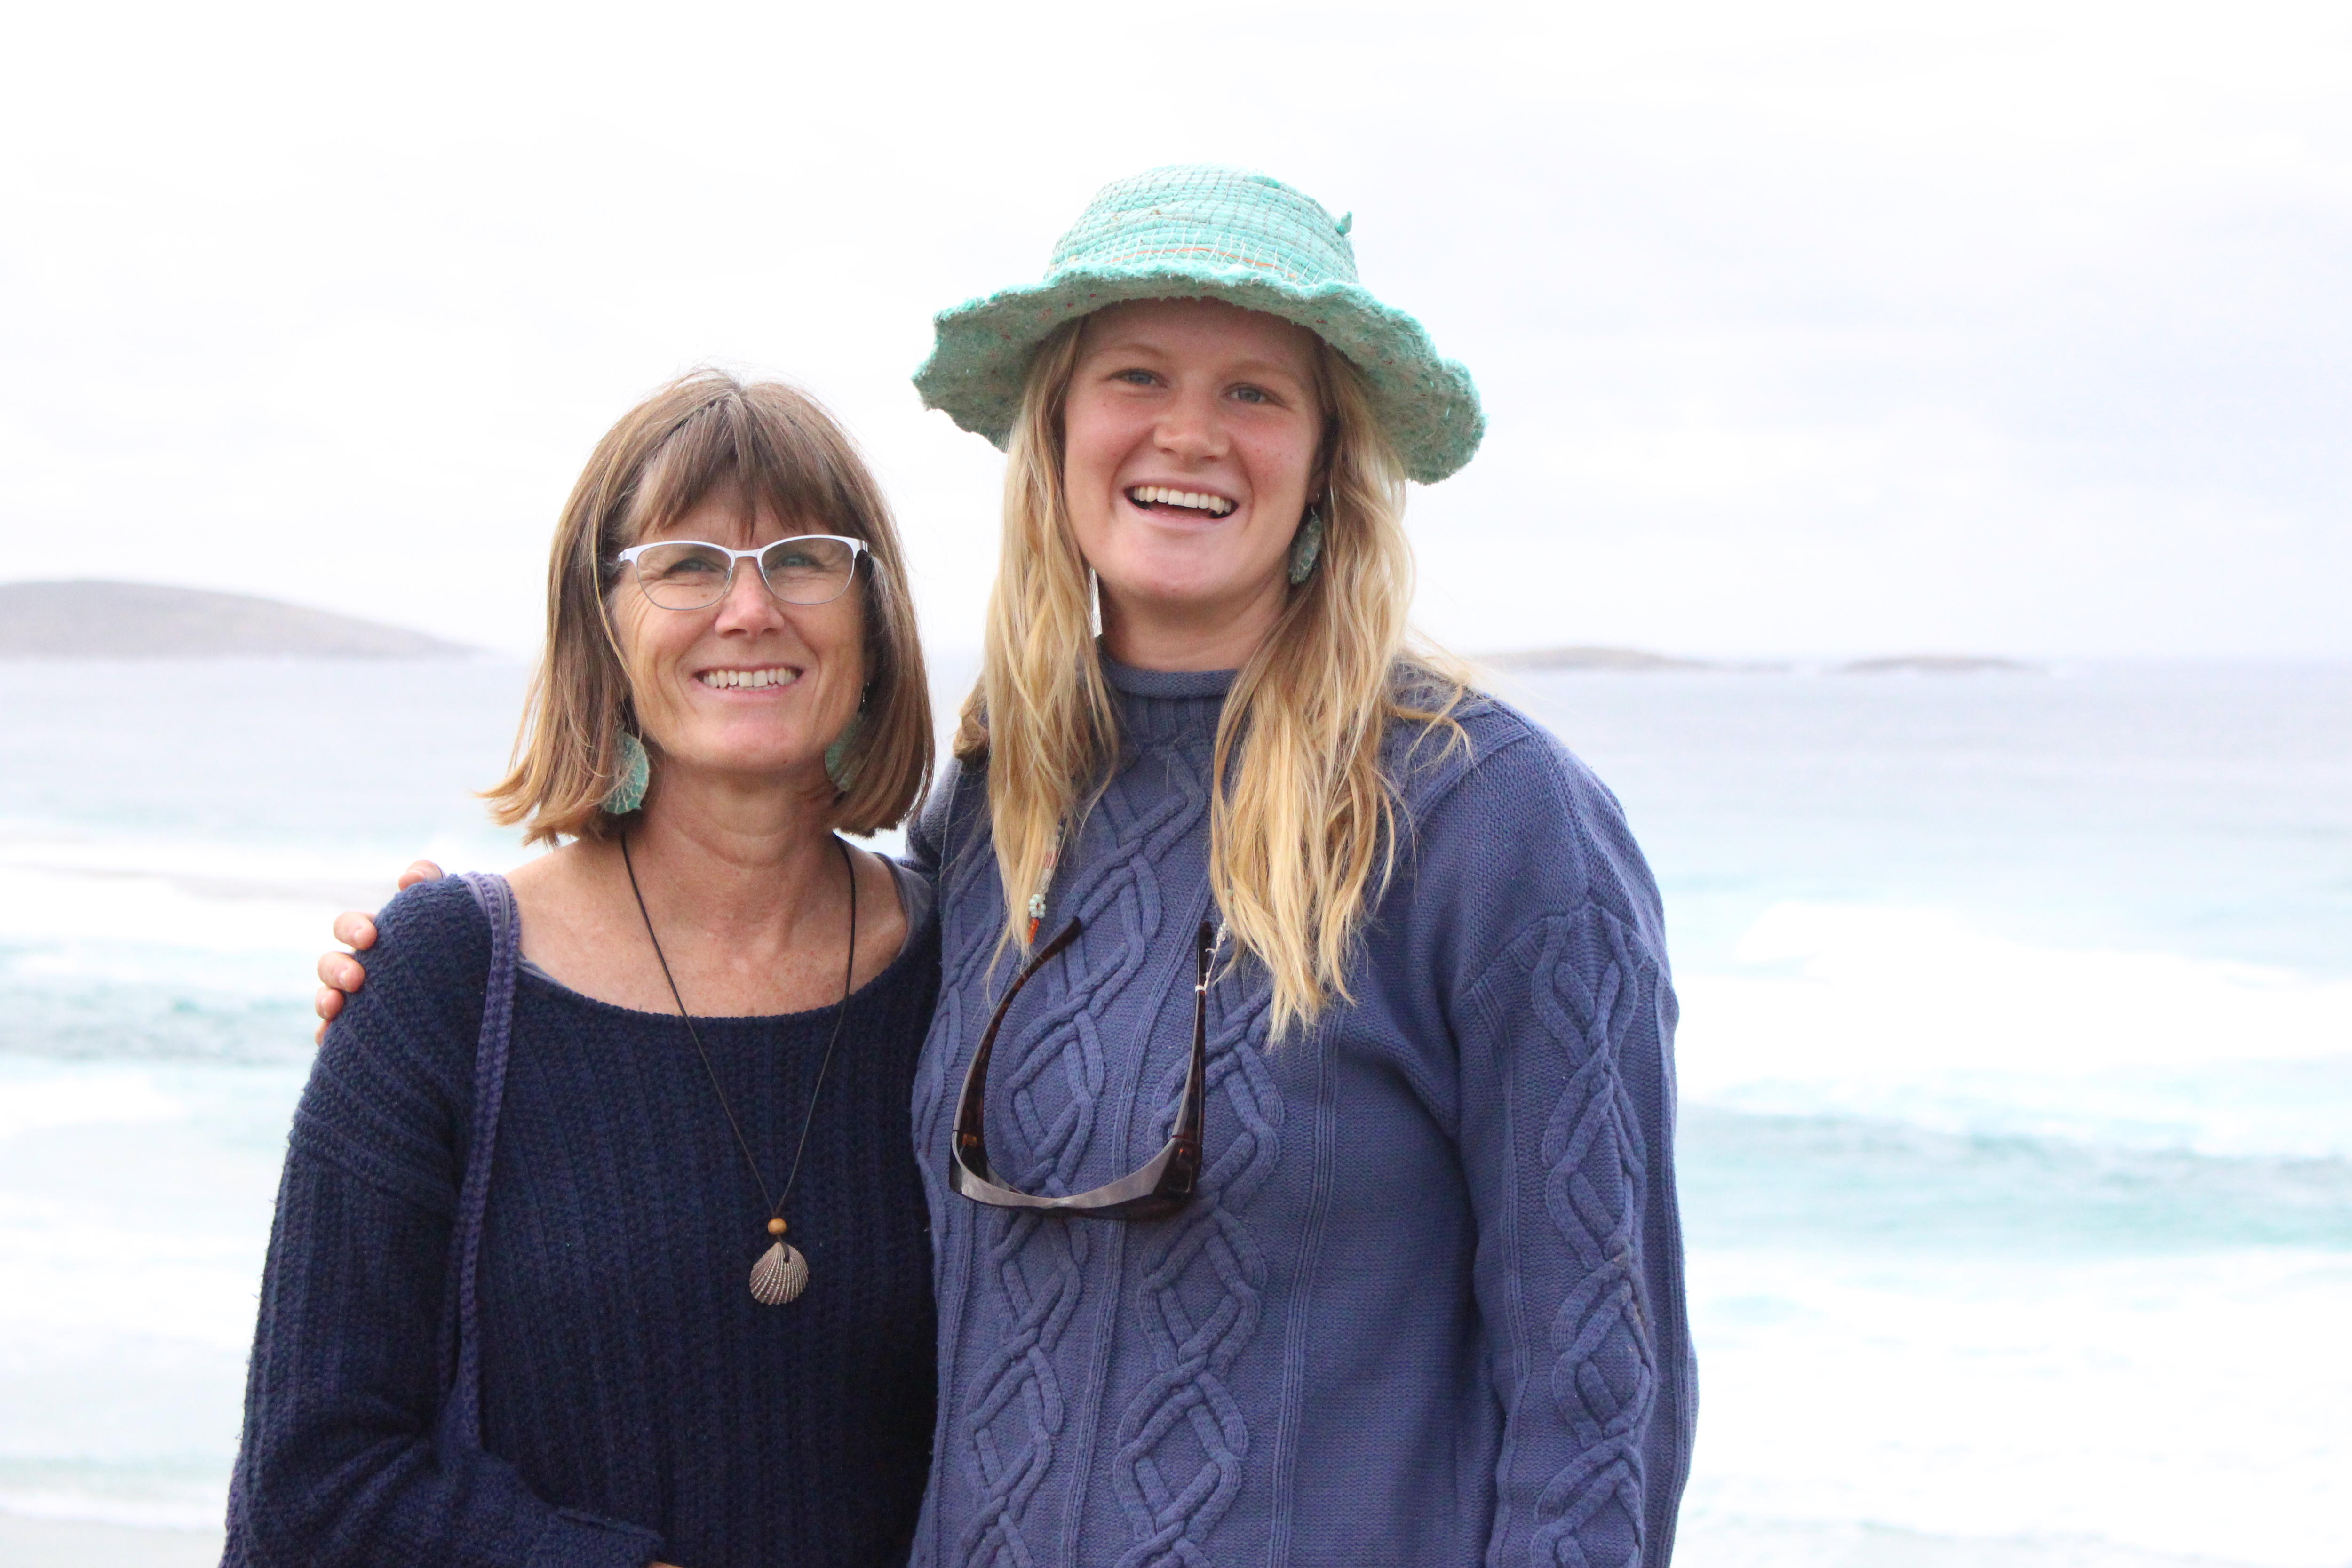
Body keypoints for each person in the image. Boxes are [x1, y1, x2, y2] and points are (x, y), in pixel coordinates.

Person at [319, 165, 1696, 1568]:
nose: (1188, 433)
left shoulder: (1491, 823)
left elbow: (1600, 1395)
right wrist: (465, 980)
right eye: (1138, 375)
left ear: (1329, 457)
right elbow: (774, 1038)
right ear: (1055, 431)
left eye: (1255, 393)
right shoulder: (1003, 800)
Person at [238, 371, 941, 1568]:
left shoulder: (964, 970)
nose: (750, 607)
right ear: (600, 625)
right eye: (686, 563)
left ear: (871, 619)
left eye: (805, 557)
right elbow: (314, 1483)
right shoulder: (445, 982)